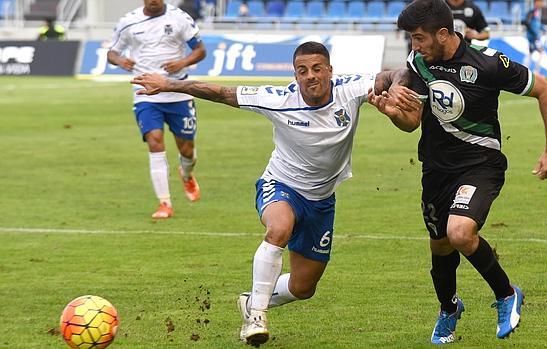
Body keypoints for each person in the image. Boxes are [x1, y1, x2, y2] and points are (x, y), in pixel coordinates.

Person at [130, 41, 420, 346]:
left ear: (330, 71)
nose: (310, 76)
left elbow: (398, 73)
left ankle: (252, 298)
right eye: (302, 71)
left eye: (317, 68)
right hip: (281, 185)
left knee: (303, 287)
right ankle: (256, 316)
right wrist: (168, 84)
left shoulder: (350, 89)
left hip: (321, 200)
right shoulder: (279, 99)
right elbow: (221, 92)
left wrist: (398, 88)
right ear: (295, 76)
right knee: (279, 228)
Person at [371, 0, 547, 344]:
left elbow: (544, 90)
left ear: (442, 34)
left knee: (459, 233)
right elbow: (411, 123)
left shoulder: (487, 62)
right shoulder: (419, 63)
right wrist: (391, 112)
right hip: (435, 170)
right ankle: (448, 309)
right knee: (441, 245)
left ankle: (506, 294)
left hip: (480, 165)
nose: (414, 46)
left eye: (418, 38)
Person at [107, 0, 206, 219]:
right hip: (146, 94)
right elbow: (111, 53)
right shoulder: (128, 22)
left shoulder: (180, 18)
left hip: (179, 91)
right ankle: (164, 203)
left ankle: (187, 174)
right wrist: (121, 61)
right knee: (154, 141)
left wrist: (182, 63)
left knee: (187, 149)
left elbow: (200, 50)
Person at [523, 0, 546, 74]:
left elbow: (536, 23)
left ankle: (524, 71)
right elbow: (526, 22)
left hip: (534, 37)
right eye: (541, 2)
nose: (542, 3)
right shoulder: (532, 12)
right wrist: (534, 33)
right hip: (533, 37)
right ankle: (536, 72)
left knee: (530, 53)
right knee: (542, 52)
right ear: (536, 2)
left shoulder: (536, 12)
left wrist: (543, 28)